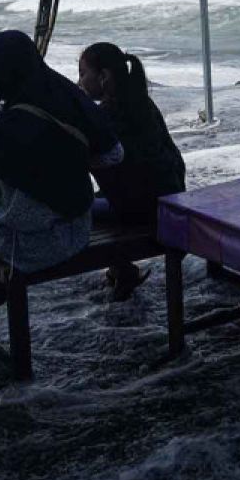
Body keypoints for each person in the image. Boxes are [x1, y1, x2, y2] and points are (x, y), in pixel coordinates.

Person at [0, 30, 122, 331]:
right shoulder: (70, 99)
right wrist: (64, 164)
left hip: (31, 246)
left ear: (6, 72)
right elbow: (113, 155)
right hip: (78, 229)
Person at [78, 42, 186, 300]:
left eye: (83, 73)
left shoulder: (105, 114)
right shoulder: (143, 103)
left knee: (76, 207)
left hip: (140, 211)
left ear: (103, 77)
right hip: (169, 197)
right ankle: (122, 270)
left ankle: (123, 270)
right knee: (101, 195)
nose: (79, 81)